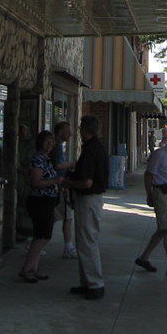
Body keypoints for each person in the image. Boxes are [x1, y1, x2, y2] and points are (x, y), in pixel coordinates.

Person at [134, 128, 167, 278]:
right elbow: (148, 174)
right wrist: (149, 195)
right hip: (161, 192)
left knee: (164, 229)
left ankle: (143, 258)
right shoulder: (160, 154)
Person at [68, 115, 109, 300]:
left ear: (85, 129)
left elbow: (87, 182)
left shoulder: (90, 150)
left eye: (80, 127)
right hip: (93, 198)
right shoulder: (98, 147)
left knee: (87, 240)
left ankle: (95, 283)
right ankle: (87, 281)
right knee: (85, 240)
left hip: (88, 198)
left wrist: (68, 183)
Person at [19, 130, 64, 283]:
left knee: (41, 235)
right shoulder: (37, 159)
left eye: (52, 140)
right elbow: (36, 182)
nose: (50, 143)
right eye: (46, 140)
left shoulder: (47, 159)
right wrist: (55, 182)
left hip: (48, 201)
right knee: (43, 236)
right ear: (40, 142)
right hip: (39, 201)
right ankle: (27, 268)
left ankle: (34, 269)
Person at [52, 120, 77, 258]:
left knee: (57, 216)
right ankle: (68, 247)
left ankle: (34, 238)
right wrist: (71, 164)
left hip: (58, 185)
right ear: (60, 132)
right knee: (66, 217)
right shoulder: (56, 147)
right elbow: (57, 165)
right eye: (68, 131)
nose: (70, 134)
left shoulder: (57, 146)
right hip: (59, 186)